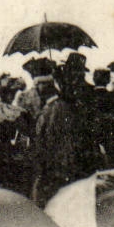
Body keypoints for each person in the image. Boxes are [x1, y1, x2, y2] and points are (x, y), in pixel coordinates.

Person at [31, 74, 78, 207]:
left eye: (38, 87)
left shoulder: (55, 108)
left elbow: (50, 136)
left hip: (54, 160)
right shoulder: (59, 106)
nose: (37, 90)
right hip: (60, 159)